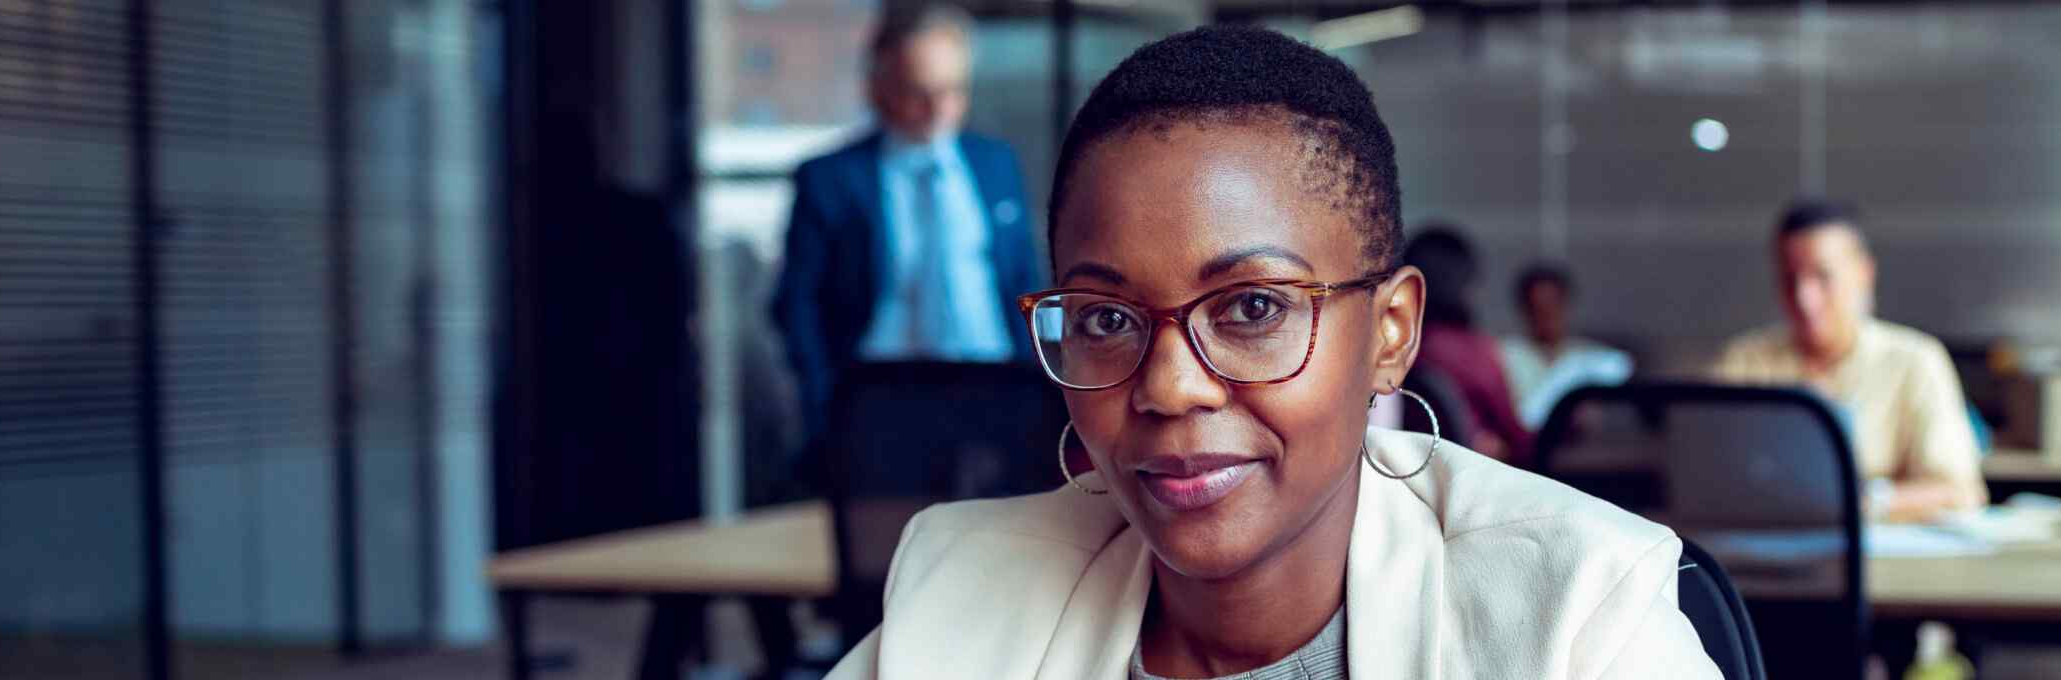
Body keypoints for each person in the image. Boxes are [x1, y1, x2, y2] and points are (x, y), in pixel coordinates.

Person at [823, 26, 1720, 679]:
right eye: (1104, 319)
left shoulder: (1576, 621)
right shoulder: (960, 594)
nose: (1169, 388)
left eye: (1252, 306)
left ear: (1391, 333)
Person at [772, 2, 1042, 442]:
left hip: (996, 388)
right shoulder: (831, 179)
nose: (939, 109)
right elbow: (796, 303)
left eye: (953, 90)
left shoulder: (995, 163)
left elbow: (1020, 280)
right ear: (878, 90)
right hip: (880, 396)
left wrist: (1038, 384)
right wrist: (823, 401)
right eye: (920, 92)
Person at [1712, 198, 1986, 523]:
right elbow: (1710, 476)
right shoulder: (1742, 361)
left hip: (1881, 561)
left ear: (1863, 274)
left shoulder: (1916, 360)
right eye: (1790, 279)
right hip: (1761, 555)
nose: (1804, 298)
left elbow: (1960, 490)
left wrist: (1866, 501)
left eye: (1822, 277)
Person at [1398, 228, 1534, 462]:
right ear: (1463, 283)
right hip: (1477, 471)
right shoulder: (1472, 351)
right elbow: (1517, 436)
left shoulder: (1399, 347)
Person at [1497, 264, 1634, 430]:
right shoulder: (1505, 356)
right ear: (1525, 309)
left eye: (1551, 305)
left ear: (1565, 305)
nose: (1546, 315)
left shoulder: (1592, 358)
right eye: (1538, 307)